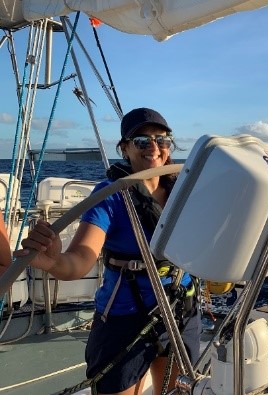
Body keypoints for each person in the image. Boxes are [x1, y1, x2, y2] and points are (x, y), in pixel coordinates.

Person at [16, 107, 201, 395]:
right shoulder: (109, 195)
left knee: (178, 390)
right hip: (125, 315)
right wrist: (53, 261)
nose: (154, 147)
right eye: (142, 141)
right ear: (125, 149)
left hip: (181, 310)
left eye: (162, 139)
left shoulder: (185, 190)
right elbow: (79, 261)